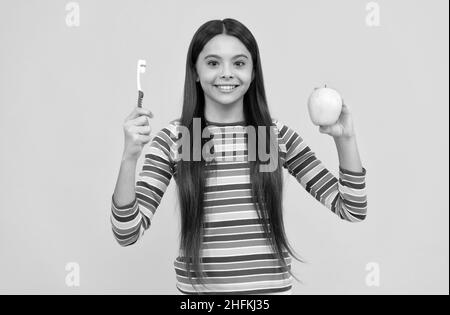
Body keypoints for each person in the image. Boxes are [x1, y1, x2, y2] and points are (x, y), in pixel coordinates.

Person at [111, 18, 367, 295]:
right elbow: (127, 233)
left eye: (239, 63)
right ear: (195, 71)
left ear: (253, 72)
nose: (226, 73)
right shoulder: (179, 138)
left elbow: (352, 209)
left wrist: (345, 138)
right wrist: (129, 158)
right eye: (212, 63)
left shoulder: (273, 136)